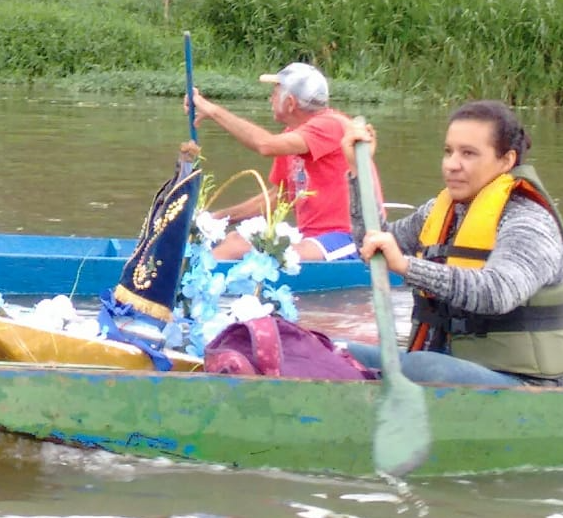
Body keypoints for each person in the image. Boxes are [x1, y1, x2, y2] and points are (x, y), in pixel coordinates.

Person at [341, 100, 563, 386]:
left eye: (468, 154)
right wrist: (359, 171)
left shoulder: (529, 220)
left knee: (422, 366)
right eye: (448, 151)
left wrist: (407, 266)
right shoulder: (442, 210)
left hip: (524, 385)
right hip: (442, 366)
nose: (452, 164)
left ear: (506, 160)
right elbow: (370, 247)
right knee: (331, 349)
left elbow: (499, 292)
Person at [184, 62, 357, 261]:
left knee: (237, 249)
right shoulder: (291, 136)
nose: (270, 99)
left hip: (347, 239)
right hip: (310, 239)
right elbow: (279, 197)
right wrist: (217, 219)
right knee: (234, 240)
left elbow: (266, 145)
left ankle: (181, 282)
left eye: (274, 94)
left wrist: (212, 111)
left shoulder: (331, 125)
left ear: (290, 103)